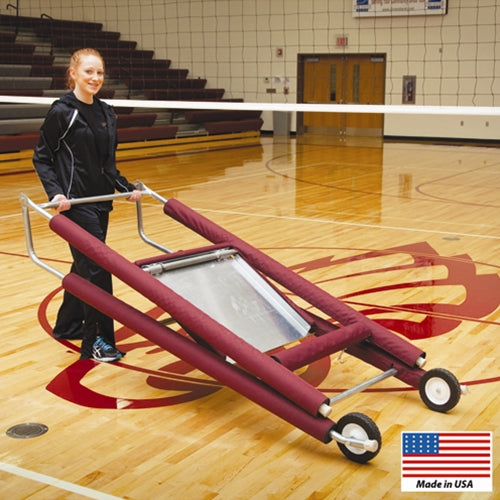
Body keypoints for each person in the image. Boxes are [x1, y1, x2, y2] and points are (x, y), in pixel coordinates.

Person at [33, 48, 141, 362]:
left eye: (99, 73)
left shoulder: (107, 112)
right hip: (75, 204)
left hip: (100, 203)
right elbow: (42, 157)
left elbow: (108, 165)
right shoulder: (62, 111)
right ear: (74, 74)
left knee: (85, 266)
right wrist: (55, 193)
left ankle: (68, 325)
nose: (95, 78)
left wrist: (124, 187)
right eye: (89, 72)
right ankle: (96, 341)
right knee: (98, 269)